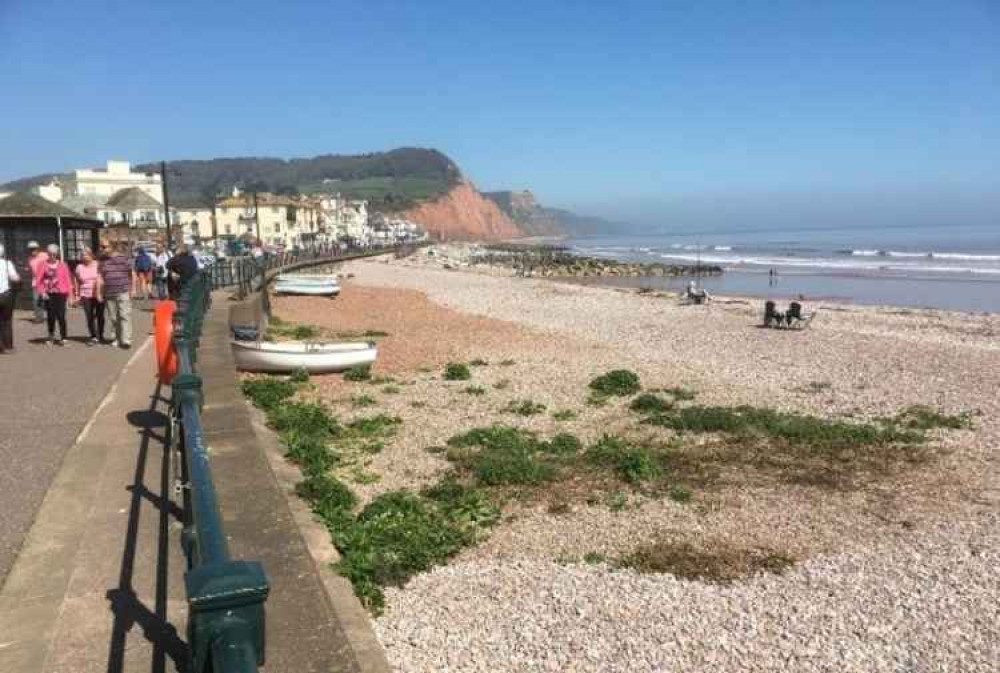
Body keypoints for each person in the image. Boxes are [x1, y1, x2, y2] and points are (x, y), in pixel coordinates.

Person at [36, 244, 72, 346]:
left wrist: (70, 296)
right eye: (50, 254)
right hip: (49, 294)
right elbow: (39, 281)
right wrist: (42, 292)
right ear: (48, 254)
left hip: (61, 293)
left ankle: (64, 337)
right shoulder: (42, 265)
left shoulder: (63, 265)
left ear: (57, 254)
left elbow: (68, 281)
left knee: (61, 316)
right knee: (51, 316)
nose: (52, 256)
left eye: (54, 254)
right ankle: (51, 335)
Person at [100, 241, 133, 348]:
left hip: (123, 290)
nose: (102, 248)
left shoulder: (123, 258)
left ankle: (126, 339)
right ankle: (116, 338)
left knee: (124, 315)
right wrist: (99, 292)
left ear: (112, 247)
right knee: (113, 317)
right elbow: (101, 276)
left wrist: (133, 288)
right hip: (109, 292)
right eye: (101, 246)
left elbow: (131, 273)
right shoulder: (103, 260)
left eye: (104, 246)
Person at [74, 248, 105, 345]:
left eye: (86, 255)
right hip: (85, 294)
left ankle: (100, 335)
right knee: (89, 316)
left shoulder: (98, 264)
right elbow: (76, 280)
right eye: (82, 255)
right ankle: (94, 336)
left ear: (91, 255)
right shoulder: (79, 267)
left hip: (98, 293)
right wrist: (77, 294)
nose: (84, 257)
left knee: (100, 315)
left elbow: (103, 277)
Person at [0, 243, 21, 354]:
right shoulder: (7, 264)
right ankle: (8, 347)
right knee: (6, 322)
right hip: (6, 295)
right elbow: (15, 278)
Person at [27, 240, 48, 322]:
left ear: (38, 249)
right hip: (36, 282)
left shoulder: (44, 255)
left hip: (46, 281)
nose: (32, 251)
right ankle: (39, 317)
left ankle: (51, 315)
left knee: (47, 300)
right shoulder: (30, 259)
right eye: (31, 249)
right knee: (36, 300)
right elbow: (31, 269)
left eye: (34, 249)